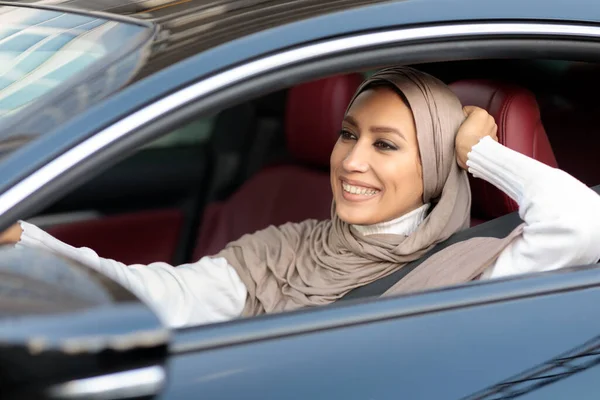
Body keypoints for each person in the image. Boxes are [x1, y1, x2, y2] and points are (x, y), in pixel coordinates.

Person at [2, 66, 600, 328]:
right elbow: (166, 297)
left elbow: (581, 222)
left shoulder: (480, 271)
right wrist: (27, 243)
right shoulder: (292, 246)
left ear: (439, 166)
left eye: (386, 145)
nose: (352, 160)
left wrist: (480, 153)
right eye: (347, 134)